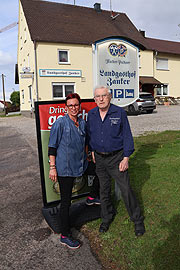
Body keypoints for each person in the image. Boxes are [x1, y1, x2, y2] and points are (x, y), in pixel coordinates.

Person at [86, 86, 145, 236]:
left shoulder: (119, 112)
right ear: (94, 99)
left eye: (104, 96)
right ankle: (106, 218)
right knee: (104, 191)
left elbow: (127, 136)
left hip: (116, 158)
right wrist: (92, 150)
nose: (101, 99)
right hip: (99, 158)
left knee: (125, 189)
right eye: (97, 96)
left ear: (110, 97)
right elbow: (90, 134)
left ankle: (137, 220)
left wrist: (126, 158)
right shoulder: (91, 114)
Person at [48, 93, 100, 249]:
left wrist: (89, 155)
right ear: (66, 107)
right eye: (70, 105)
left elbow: (84, 142)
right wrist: (53, 167)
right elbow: (52, 147)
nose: (73, 108)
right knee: (66, 202)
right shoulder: (60, 123)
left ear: (79, 105)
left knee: (100, 171)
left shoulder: (82, 123)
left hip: (81, 163)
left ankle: (91, 197)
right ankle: (65, 235)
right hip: (64, 168)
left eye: (76, 105)